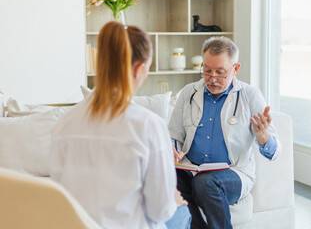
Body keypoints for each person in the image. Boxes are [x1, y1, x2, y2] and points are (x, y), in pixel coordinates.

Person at [49, 22, 191, 229]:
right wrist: (173, 201)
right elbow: (159, 210)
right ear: (139, 69)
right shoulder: (148, 126)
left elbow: (62, 198)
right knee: (182, 212)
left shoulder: (64, 123)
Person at [168, 36, 281, 229]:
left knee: (205, 183)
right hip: (191, 169)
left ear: (235, 69)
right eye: (207, 70)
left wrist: (263, 138)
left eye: (220, 72)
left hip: (233, 174)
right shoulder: (188, 93)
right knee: (166, 176)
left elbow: (275, 151)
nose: (212, 78)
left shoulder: (250, 95)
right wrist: (173, 149)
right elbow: (174, 136)